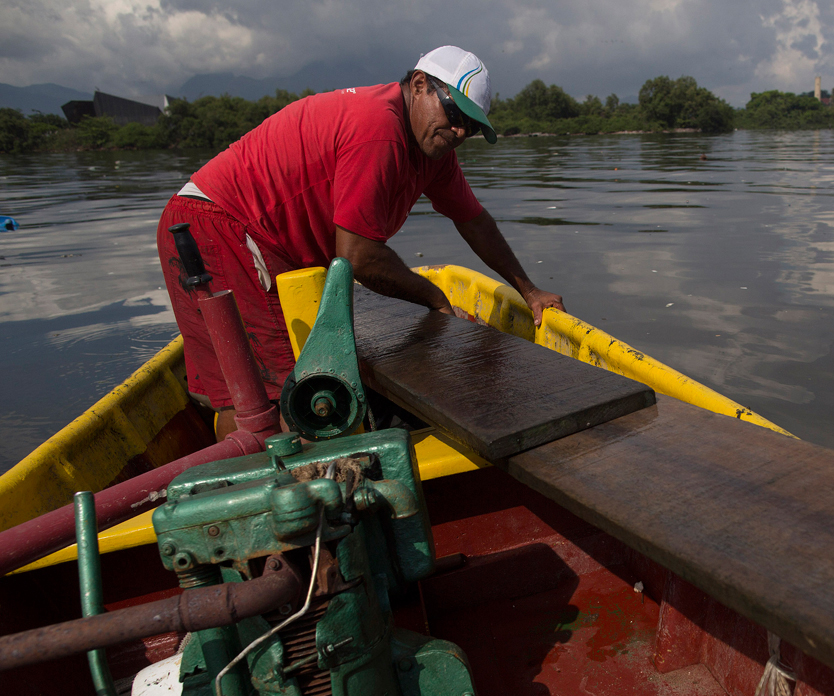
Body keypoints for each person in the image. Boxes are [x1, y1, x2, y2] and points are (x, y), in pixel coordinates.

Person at [157, 45, 563, 438]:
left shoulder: (431, 151)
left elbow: (473, 220)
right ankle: (286, 495)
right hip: (221, 227)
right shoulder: (378, 129)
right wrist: (436, 299)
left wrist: (528, 290)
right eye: (454, 113)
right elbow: (359, 258)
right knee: (282, 394)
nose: (458, 131)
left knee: (245, 392)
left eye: (471, 127)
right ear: (419, 84)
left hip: (216, 227)